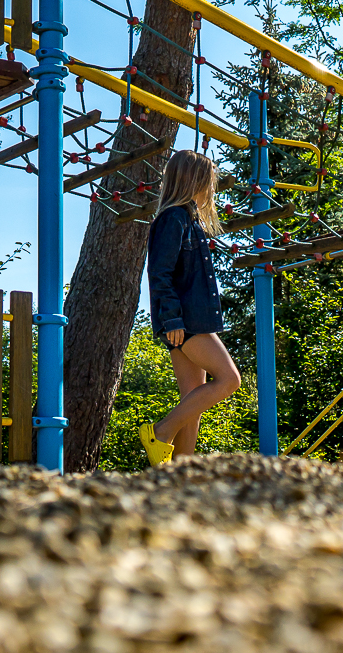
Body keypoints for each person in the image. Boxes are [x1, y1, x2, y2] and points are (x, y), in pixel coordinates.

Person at [138, 149, 242, 466]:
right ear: (194, 180)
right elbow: (160, 273)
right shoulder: (173, 218)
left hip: (186, 321)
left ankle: (180, 469)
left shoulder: (188, 218)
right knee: (229, 380)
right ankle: (161, 431)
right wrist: (171, 320)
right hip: (186, 322)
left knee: (192, 401)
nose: (212, 188)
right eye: (209, 181)